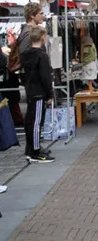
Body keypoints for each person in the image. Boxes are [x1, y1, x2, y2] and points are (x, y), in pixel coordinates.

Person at [21, 26, 54, 164]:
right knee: (36, 122)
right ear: (42, 38)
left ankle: (30, 149)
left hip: (30, 90)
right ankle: (35, 151)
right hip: (39, 92)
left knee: (30, 120)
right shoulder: (42, 55)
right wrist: (50, 93)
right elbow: (45, 76)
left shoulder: (25, 54)